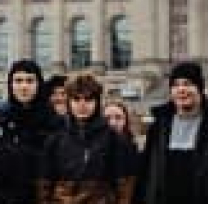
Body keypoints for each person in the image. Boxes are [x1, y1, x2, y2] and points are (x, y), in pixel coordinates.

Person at [37, 73, 138, 204]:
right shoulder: (55, 140)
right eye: (76, 99)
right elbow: (44, 188)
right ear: (69, 102)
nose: (82, 105)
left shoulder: (115, 140)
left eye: (88, 99)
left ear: (97, 102)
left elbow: (125, 192)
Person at [138, 62, 208, 204]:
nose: (181, 89)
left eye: (188, 83)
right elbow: (147, 172)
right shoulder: (159, 125)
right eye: (176, 85)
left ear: (200, 88)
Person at [0, 60, 61, 162]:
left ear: (39, 84)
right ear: (10, 85)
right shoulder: (1, 120)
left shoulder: (54, 121)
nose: (24, 87)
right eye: (18, 81)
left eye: (30, 81)